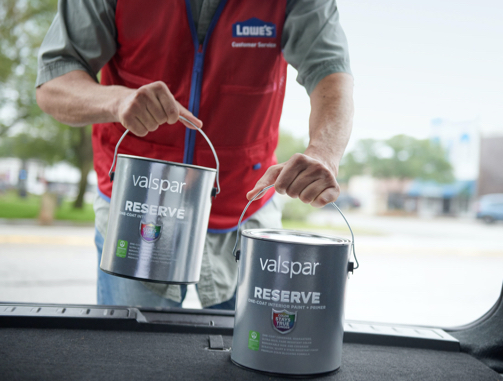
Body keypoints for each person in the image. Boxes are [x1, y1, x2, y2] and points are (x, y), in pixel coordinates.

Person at [35, 0, 353, 310]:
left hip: (244, 206)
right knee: (131, 356)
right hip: (136, 206)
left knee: (248, 356)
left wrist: (324, 152)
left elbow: (330, 70)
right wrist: (117, 101)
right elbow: (54, 81)